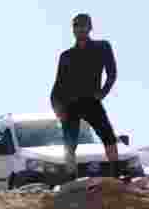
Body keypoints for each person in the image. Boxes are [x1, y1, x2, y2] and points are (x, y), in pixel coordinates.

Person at [50, 13, 120, 170]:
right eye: (76, 25)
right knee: (69, 143)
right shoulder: (66, 56)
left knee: (108, 135)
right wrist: (56, 107)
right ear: (72, 29)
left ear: (90, 27)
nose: (79, 28)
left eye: (83, 25)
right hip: (69, 104)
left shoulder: (102, 47)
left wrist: (103, 92)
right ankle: (70, 177)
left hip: (91, 101)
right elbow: (58, 84)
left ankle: (116, 173)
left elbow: (112, 73)